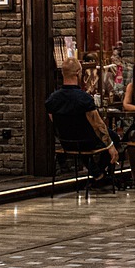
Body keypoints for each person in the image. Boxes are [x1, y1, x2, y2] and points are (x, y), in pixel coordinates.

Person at [47, 57, 119, 188]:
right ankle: (99, 173)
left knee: (82, 138)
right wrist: (111, 147)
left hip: (66, 142)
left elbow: (53, 120)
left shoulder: (52, 99)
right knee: (113, 137)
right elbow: (98, 124)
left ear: (63, 73)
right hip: (86, 142)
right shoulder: (84, 98)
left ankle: (97, 174)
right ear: (78, 73)